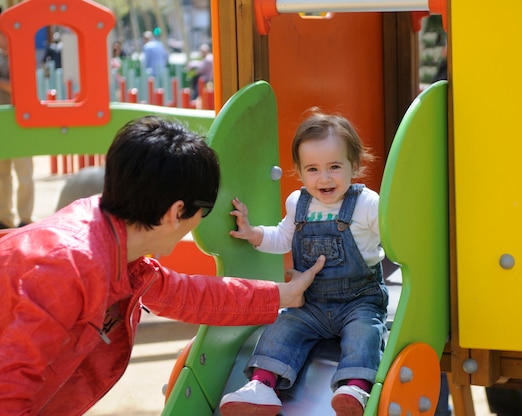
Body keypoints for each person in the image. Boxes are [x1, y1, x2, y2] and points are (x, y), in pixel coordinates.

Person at [0, 115, 326, 415]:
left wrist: (285, 295)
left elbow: (187, 295)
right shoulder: (66, 269)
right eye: (206, 209)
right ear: (176, 212)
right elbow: (10, 390)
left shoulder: (113, 243)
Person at [219, 110, 388, 416]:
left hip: (359, 300)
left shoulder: (367, 205)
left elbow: (394, 238)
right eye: (313, 169)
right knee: (282, 328)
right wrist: (253, 233)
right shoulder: (299, 203)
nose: (324, 178)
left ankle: (355, 388)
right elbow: (282, 238)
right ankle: (262, 386)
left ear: (355, 166)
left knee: (366, 331)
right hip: (310, 302)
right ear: (299, 170)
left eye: (334, 167)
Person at [0, 22, 34, 229]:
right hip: (2, 122)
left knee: (24, 174)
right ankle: (4, 217)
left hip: (21, 122)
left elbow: (20, 89)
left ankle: (25, 217)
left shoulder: (19, 57)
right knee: (2, 173)